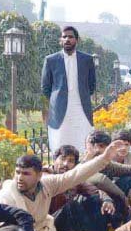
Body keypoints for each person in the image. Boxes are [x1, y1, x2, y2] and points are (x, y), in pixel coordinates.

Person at [0, 142, 123, 231]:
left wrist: (105, 158)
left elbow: (76, 175)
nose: (20, 178)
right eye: (18, 173)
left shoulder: (47, 184)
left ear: (38, 176)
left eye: (26, 173)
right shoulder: (6, 196)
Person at [41, 26, 96, 154]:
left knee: (83, 142)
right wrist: (58, 99)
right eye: (64, 37)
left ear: (77, 40)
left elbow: (92, 85)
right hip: (59, 108)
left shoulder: (87, 60)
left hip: (81, 107)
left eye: (70, 37)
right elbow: (45, 87)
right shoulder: (51, 60)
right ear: (61, 40)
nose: (67, 39)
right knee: (60, 142)